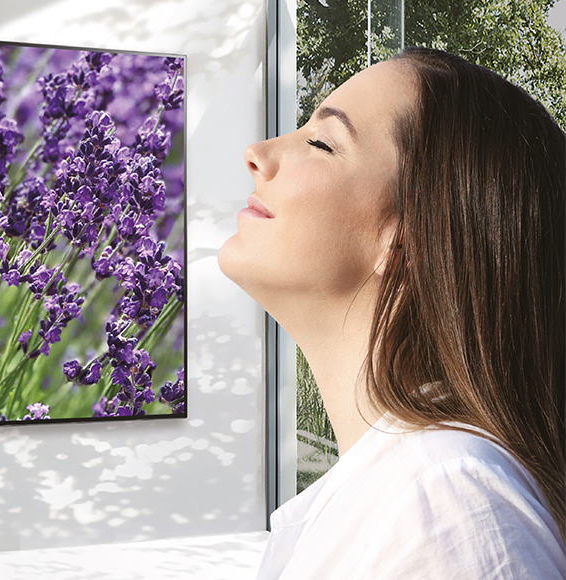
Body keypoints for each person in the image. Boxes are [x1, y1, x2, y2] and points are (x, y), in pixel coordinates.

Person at [219, 47, 566, 578]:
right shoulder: (413, 493)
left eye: (321, 142)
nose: (258, 152)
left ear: (407, 242)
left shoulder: (448, 508)